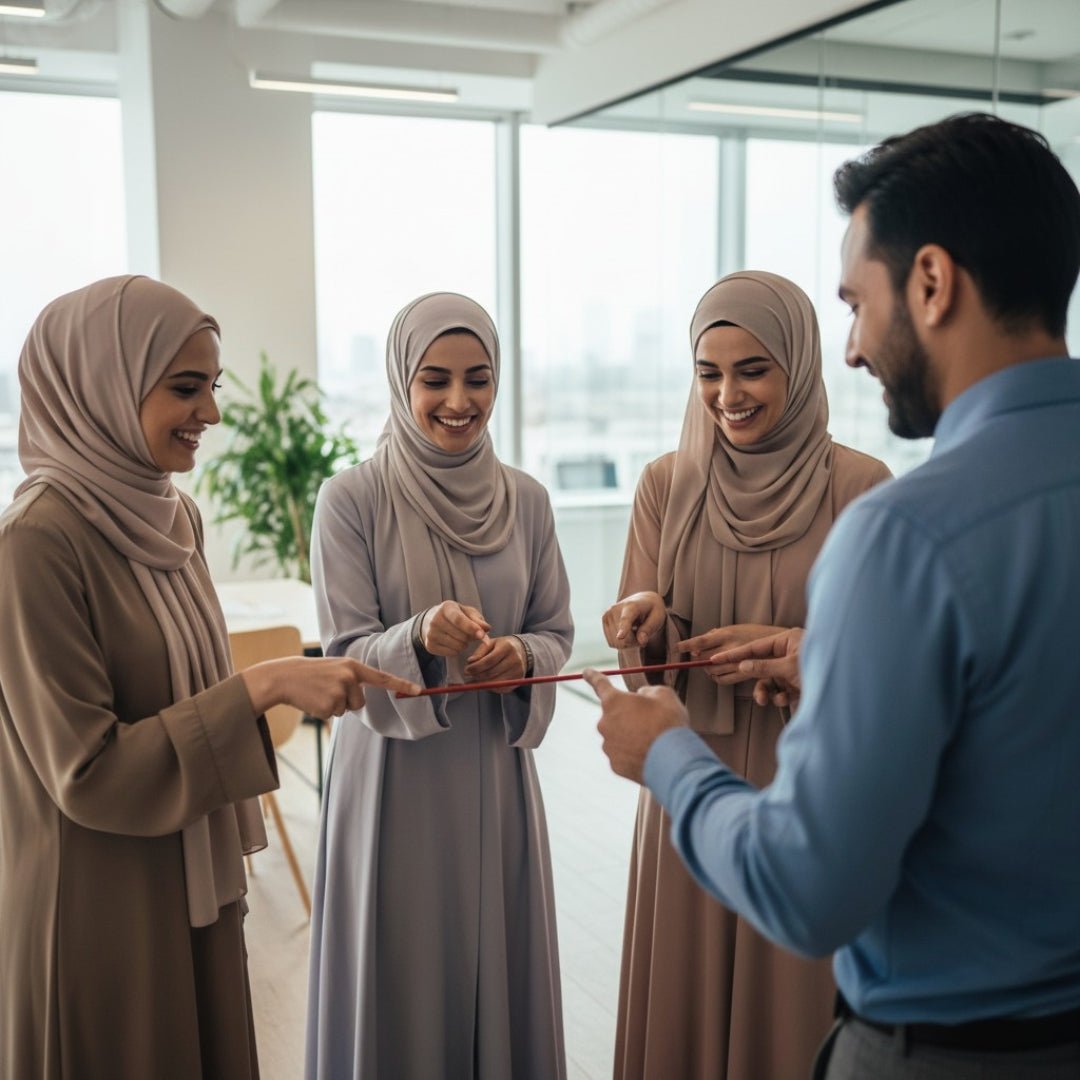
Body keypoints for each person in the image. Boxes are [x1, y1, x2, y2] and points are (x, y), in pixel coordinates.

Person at [586, 112, 1080, 1080]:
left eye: (857, 302)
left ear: (931, 283)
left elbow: (807, 888)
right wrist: (835, 663)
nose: (851, 348)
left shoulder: (904, 530)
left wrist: (669, 757)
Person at [0, 275, 419, 1080]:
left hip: (193, 882)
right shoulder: (36, 544)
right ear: (100, 385)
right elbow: (86, 771)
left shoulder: (171, 514)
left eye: (212, 386)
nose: (214, 414)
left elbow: (186, 688)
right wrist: (263, 686)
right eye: (185, 388)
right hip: (95, 908)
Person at [601, 270, 890, 1079]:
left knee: (788, 995)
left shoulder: (862, 490)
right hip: (686, 770)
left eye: (752, 368)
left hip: (808, 780)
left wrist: (799, 646)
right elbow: (640, 666)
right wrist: (647, 626)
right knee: (682, 997)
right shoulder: (667, 483)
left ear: (798, 365)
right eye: (708, 372)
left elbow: (881, 669)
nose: (727, 394)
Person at [305, 292, 573, 1080]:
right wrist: (418, 636)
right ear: (401, 381)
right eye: (435, 380)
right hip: (392, 779)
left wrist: (522, 658)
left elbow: (557, 631)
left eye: (479, 379)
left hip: (493, 772)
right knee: (401, 972)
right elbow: (345, 653)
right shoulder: (351, 499)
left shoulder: (526, 500)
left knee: (496, 961)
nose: (460, 402)